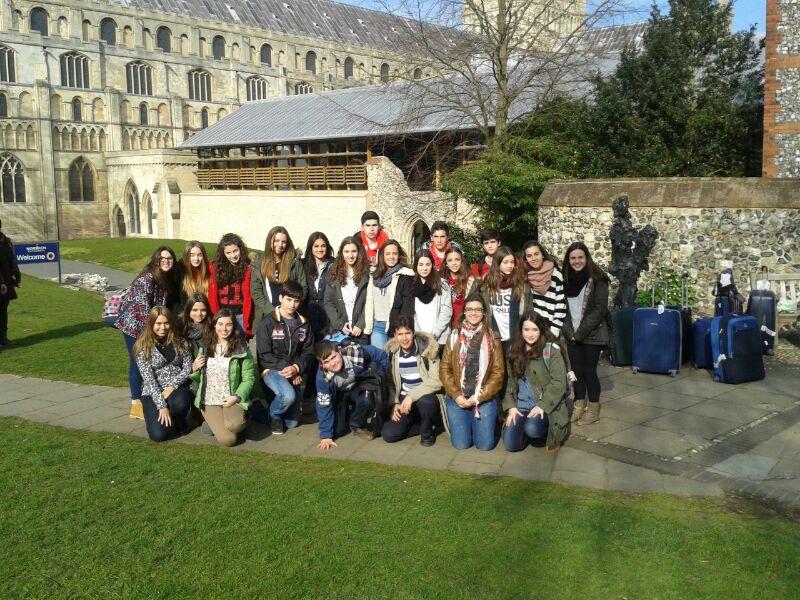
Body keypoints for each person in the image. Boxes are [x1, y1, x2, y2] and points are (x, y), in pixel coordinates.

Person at [116, 246, 181, 420]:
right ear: (156, 261)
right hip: (134, 326)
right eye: (162, 259)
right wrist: (152, 334)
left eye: (170, 259)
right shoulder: (147, 279)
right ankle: (136, 404)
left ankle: (146, 398)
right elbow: (142, 308)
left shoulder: (164, 279)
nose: (166, 261)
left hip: (149, 326)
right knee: (137, 362)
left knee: (145, 362)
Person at [439, 293, 504, 451]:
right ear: (464, 312)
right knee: (461, 445)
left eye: (478, 310)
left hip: (482, 399)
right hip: (458, 397)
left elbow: (498, 373)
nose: (473, 313)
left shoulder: (493, 338)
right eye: (469, 309)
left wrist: (479, 397)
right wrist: (456, 395)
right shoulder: (454, 336)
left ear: (484, 313)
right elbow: (444, 369)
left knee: (485, 446)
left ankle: (487, 423)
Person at [503, 313, 570, 453]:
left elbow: (559, 383)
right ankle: (527, 431)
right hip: (522, 406)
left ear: (541, 330)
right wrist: (511, 407)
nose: (530, 334)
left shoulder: (551, 351)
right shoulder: (513, 350)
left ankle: (551, 431)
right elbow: (510, 382)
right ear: (521, 330)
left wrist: (542, 406)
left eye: (535, 330)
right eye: (526, 329)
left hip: (543, 405)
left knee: (532, 429)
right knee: (511, 445)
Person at [189, 308, 255, 447]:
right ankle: (212, 423)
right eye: (220, 324)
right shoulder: (205, 346)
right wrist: (194, 368)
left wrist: (236, 397)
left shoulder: (241, 348)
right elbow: (198, 377)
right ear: (214, 325)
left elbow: (248, 378)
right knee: (229, 440)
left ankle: (242, 420)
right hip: (209, 399)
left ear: (234, 326)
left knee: (235, 426)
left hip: (231, 398)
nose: (224, 329)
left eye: (228, 324)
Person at [257, 281, 315, 435]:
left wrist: (296, 368)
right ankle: (274, 416)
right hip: (271, 370)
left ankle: (258, 410)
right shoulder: (268, 322)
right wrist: (289, 369)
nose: (292, 304)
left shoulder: (304, 324)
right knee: (288, 397)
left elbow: (309, 352)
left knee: (292, 423)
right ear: (280, 298)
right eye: (289, 299)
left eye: (296, 301)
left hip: (293, 371)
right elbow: (264, 355)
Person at [562, 242, 610, 426]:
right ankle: (579, 405)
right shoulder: (565, 280)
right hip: (572, 335)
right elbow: (562, 310)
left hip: (592, 334)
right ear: (568, 260)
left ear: (587, 258)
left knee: (589, 371)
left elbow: (600, 309)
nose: (577, 261)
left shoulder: (598, 279)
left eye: (580, 257)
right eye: (573, 258)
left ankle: (594, 409)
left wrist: (579, 334)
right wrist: (569, 333)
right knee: (575, 372)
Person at [314, 338, 389, 450]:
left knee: (367, 401)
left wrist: (384, 380)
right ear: (322, 364)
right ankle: (348, 414)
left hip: (358, 386)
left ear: (339, 352)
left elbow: (382, 355)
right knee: (338, 431)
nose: (332, 363)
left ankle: (356, 423)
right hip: (339, 394)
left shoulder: (357, 353)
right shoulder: (322, 378)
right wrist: (326, 436)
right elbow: (324, 405)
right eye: (326, 362)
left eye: (333, 357)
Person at [133, 306, 194, 442]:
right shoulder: (142, 346)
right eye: (158, 323)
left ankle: (179, 419)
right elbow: (149, 379)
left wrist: (173, 385)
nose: (163, 327)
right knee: (158, 435)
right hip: (153, 390)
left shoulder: (181, 342)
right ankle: (160, 416)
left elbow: (187, 368)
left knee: (181, 403)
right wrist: (161, 406)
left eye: (166, 323)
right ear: (151, 324)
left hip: (176, 387)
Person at [382, 315, 442, 446]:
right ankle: (420, 424)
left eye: (407, 333)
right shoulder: (393, 353)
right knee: (388, 435)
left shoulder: (428, 348)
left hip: (425, 395)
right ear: (395, 335)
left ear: (413, 333)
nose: (404, 338)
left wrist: (411, 396)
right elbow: (391, 383)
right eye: (400, 334)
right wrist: (394, 403)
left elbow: (437, 380)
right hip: (404, 398)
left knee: (426, 403)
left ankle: (427, 434)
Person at [252, 226, 307, 330]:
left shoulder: (295, 262)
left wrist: (291, 308)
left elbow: (303, 287)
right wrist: (275, 312)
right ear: (270, 241)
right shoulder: (259, 263)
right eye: (276, 241)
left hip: (291, 316)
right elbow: (257, 293)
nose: (280, 245)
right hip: (267, 316)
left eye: (283, 242)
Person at [364, 239, 414, 350]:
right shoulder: (373, 275)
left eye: (395, 253)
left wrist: (401, 328)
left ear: (399, 255)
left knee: (394, 358)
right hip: (377, 326)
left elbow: (407, 306)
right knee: (380, 357)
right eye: (388, 254)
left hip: (396, 326)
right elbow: (369, 301)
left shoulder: (405, 275)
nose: (391, 257)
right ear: (382, 255)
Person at [478, 245, 526, 354]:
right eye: (505, 262)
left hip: (515, 334)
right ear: (498, 263)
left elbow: (526, 309)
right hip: (495, 334)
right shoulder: (487, 283)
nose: (510, 265)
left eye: (512, 262)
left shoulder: (519, 282)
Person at [324, 236, 370, 343]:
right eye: (346, 252)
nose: (350, 255)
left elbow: (370, 303)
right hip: (340, 331)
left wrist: (360, 324)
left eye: (354, 251)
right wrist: (340, 325)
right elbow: (328, 302)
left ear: (359, 252)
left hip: (361, 331)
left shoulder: (367, 274)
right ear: (341, 253)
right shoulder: (333, 273)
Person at [208, 233, 254, 338]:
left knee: (240, 345)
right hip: (222, 316)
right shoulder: (215, 268)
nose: (233, 256)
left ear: (240, 249)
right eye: (228, 253)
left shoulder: (248, 268)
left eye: (235, 251)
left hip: (240, 316)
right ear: (223, 253)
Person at [521, 240, 567, 338]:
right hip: (533, 329)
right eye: (529, 256)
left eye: (536, 254)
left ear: (542, 255)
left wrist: (554, 331)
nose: (533, 258)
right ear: (526, 259)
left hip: (552, 330)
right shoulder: (526, 277)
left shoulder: (555, 275)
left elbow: (561, 305)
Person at [411, 249, 452, 346]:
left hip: (439, 338)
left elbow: (446, 311)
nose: (424, 268)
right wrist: (419, 335)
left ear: (432, 265)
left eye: (428, 264)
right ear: (416, 266)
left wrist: (435, 335)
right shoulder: (411, 285)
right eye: (421, 264)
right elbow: (412, 313)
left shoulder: (442, 284)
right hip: (419, 338)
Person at [302, 231, 334, 341]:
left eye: (323, 246)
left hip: (328, 319)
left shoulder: (334, 264)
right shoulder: (302, 265)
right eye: (316, 246)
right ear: (310, 247)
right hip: (307, 318)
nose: (320, 249)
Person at [442, 246, 476, 328]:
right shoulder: (441, 280)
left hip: (464, 324)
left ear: (462, 261)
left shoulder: (469, 280)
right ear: (446, 263)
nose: (454, 263)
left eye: (457, 260)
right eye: (450, 260)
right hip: (445, 325)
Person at [0, 219, 21, 347]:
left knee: (3, 310)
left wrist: (16, 276)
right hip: (1, 281)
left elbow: (12, 260)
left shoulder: (6, 241)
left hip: (6, 280)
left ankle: (3, 338)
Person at [180, 241, 210, 305]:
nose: (196, 259)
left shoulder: (209, 271)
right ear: (186, 256)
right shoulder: (181, 273)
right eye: (192, 255)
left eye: (199, 255)